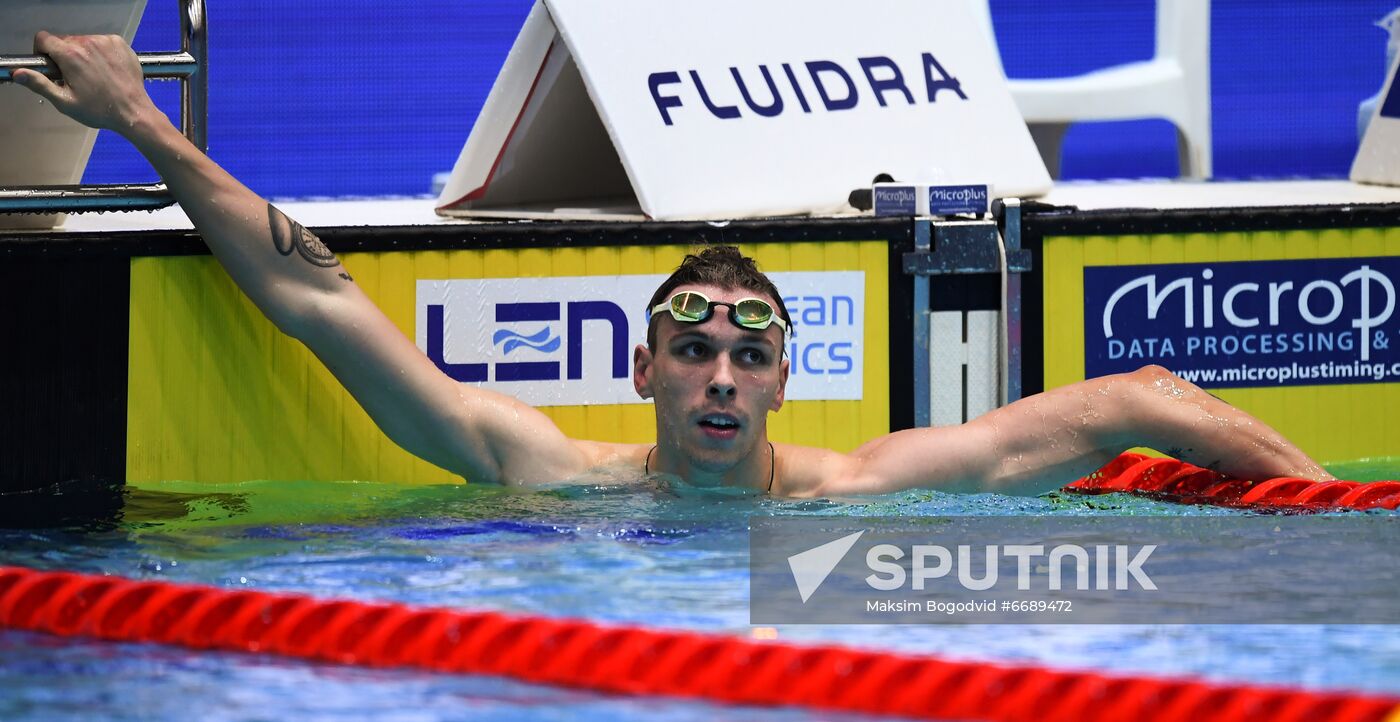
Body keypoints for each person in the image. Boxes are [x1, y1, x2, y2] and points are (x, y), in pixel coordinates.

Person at [13, 33, 1335, 496]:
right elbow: (315, 292)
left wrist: (1336, 518)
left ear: (783, 379)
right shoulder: (539, 467)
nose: (717, 370)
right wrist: (140, 124)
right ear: (641, 364)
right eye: (695, 344)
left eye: (746, 351)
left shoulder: (861, 489)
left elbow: (1134, 395)